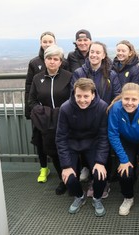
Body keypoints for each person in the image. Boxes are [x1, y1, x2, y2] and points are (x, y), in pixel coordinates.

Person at [71, 41, 121, 198]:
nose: (94, 55)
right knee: (88, 150)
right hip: (84, 120)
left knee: (103, 150)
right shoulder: (79, 73)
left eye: (98, 52)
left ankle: (102, 182)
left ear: (104, 55)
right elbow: (73, 96)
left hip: (104, 119)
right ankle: (94, 179)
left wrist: (108, 112)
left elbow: (117, 96)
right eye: (92, 52)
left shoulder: (111, 74)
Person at [56, 78, 109, 217]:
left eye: (86, 96)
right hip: (72, 143)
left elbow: (104, 136)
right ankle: (79, 196)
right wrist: (66, 165)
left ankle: (97, 198)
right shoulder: (66, 108)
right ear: (74, 94)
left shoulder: (102, 107)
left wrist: (100, 162)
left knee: (100, 174)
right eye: (78, 96)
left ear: (93, 94)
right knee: (69, 177)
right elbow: (61, 138)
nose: (82, 100)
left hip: (93, 143)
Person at [107, 83, 139, 216]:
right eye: (126, 99)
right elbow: (112, 134)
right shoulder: (116, 109)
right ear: (121, 98)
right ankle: (128, 198)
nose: (129, 103)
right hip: (127, 142)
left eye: (134, 100)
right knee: (125, 172)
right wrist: (123, 159)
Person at [24, 31, 68, 184]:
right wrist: (40, 113)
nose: (52, 61)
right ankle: (63, 180)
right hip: (46, 121)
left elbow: (74, 98)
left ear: (60, 61)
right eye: (49, 58)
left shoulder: (68, 76)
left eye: (55, 59)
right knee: (53, 151)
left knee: (68, 150)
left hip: (65, 120)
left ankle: (71, 179)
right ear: (45, 59)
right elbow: (32, 99)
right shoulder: (37, 77)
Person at [67, 29, 92, 181]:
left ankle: (94, 167)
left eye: (85, 40)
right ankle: (85, 167)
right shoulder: (71, 57)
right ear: (76, 42)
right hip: (78, 100)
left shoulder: (95, 53)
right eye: (79, 40)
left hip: (93, 99)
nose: (82, 43)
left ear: (90, 41)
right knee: (80, 134)